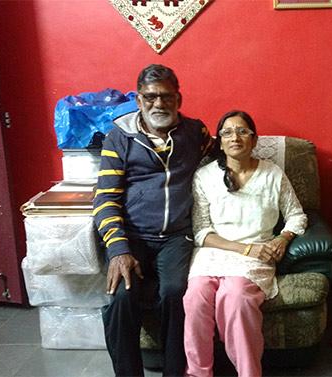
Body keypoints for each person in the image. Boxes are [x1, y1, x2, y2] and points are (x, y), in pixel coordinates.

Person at [93, 64, 214, 376]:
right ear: (138, 99)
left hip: (177, 236)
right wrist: (118, 250)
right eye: (150, 97)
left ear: (178, 99)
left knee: (175, 292)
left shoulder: (195, 133)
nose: (158, 104)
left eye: (166, 97)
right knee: (121, 296)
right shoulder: (119, 137)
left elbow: (220, 166)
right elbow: (105, 199)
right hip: (132, 235)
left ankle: (175, 372)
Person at [182, 110, 307, 377]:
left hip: (256, 256)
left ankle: (249, 372)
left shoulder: (272, 174)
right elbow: (202, 231)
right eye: (227, 132)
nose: (235, 137)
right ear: (220, 141)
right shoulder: (204, 177)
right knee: (195, 297)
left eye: (242, 131)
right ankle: (198, 373)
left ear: (254, 139)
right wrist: (244, 248)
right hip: (214, 253)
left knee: (235, 296)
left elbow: (296, 215)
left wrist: (283, 239)